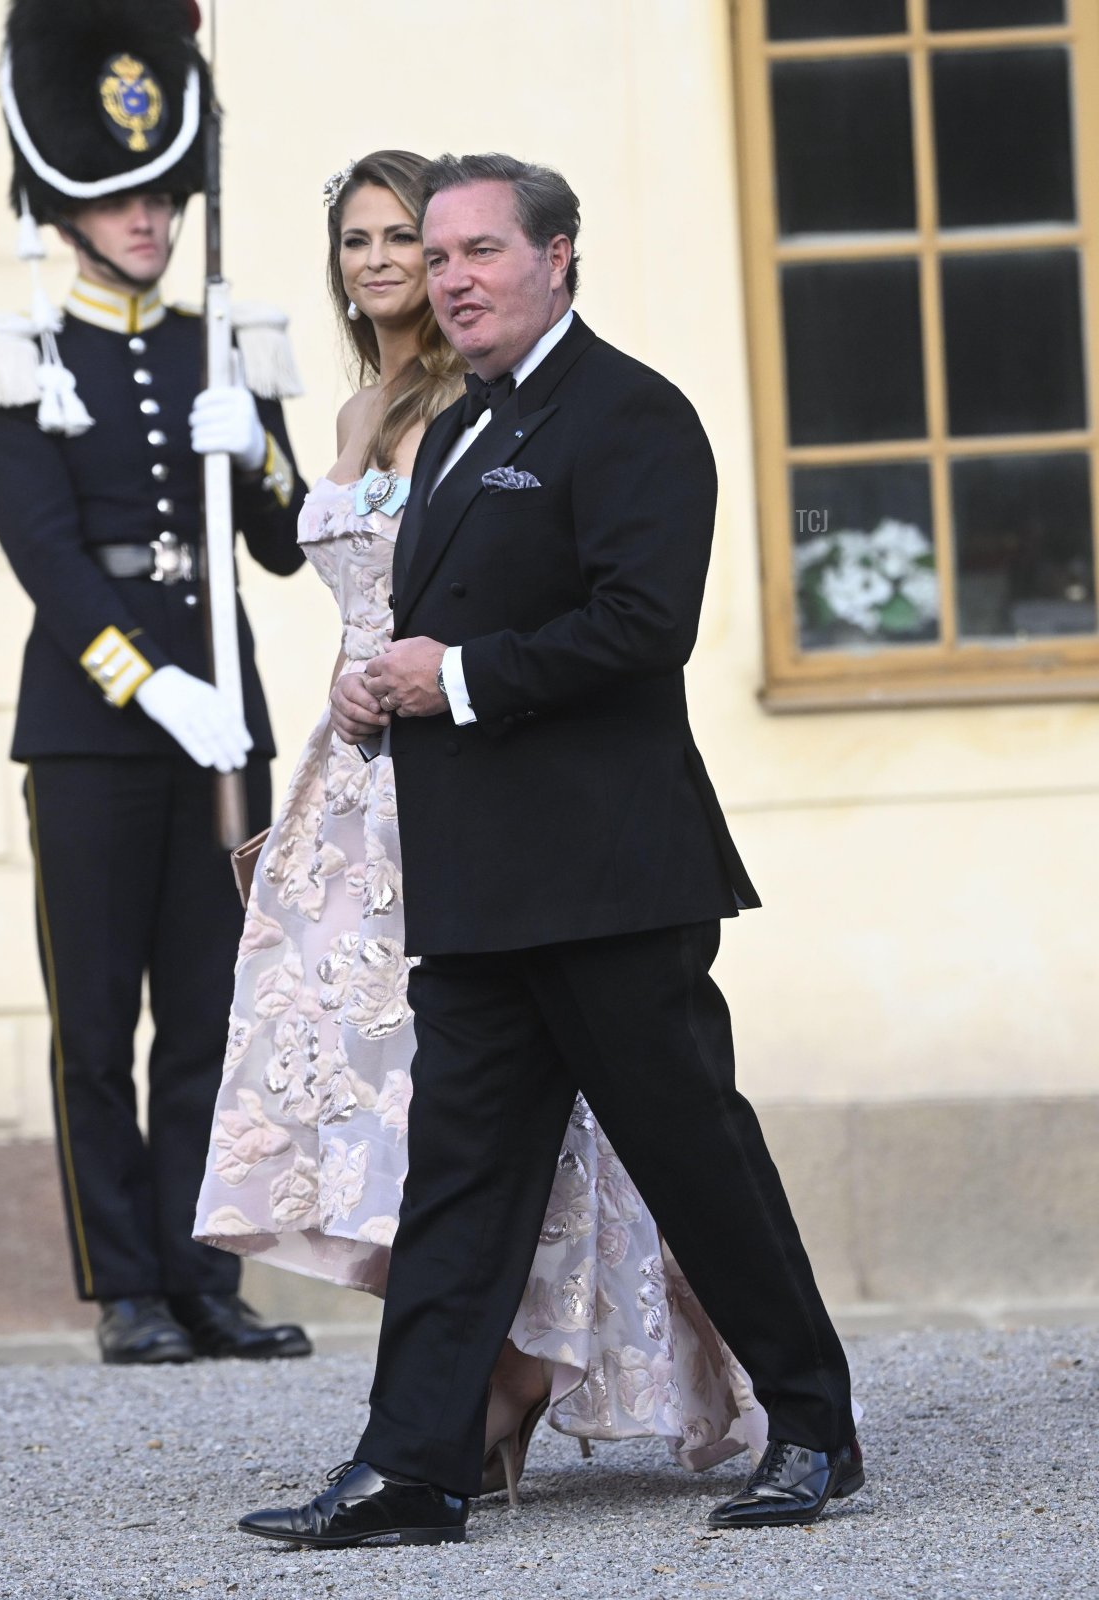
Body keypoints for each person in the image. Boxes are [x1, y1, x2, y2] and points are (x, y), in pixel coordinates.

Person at [236, 153, 864, 1549]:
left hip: (607, 878)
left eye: (480, 252)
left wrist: (449, 677)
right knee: (457, 1185)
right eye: (438, 256)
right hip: (474, 881)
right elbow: (432, 616)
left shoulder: (634, 415)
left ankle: (815, 1424)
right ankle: (413, 1471)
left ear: (559, 256)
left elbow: (646, 625)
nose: (452, 277)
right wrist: (380, 689)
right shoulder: (457, 428)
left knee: (695, 1158)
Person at [0, 0, 311, 1367]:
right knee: (99, 1018)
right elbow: (49, 558)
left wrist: (261, 450)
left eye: (166, 191)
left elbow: (279, 546)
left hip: (228, 717)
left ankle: (208, 1275)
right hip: (101, 731)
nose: (152, 217)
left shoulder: (224, 341)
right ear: (67, 204)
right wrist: (154, 689)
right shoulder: (16, 356)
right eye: (121, 198)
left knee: (217, 1012)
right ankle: (128, 1288)